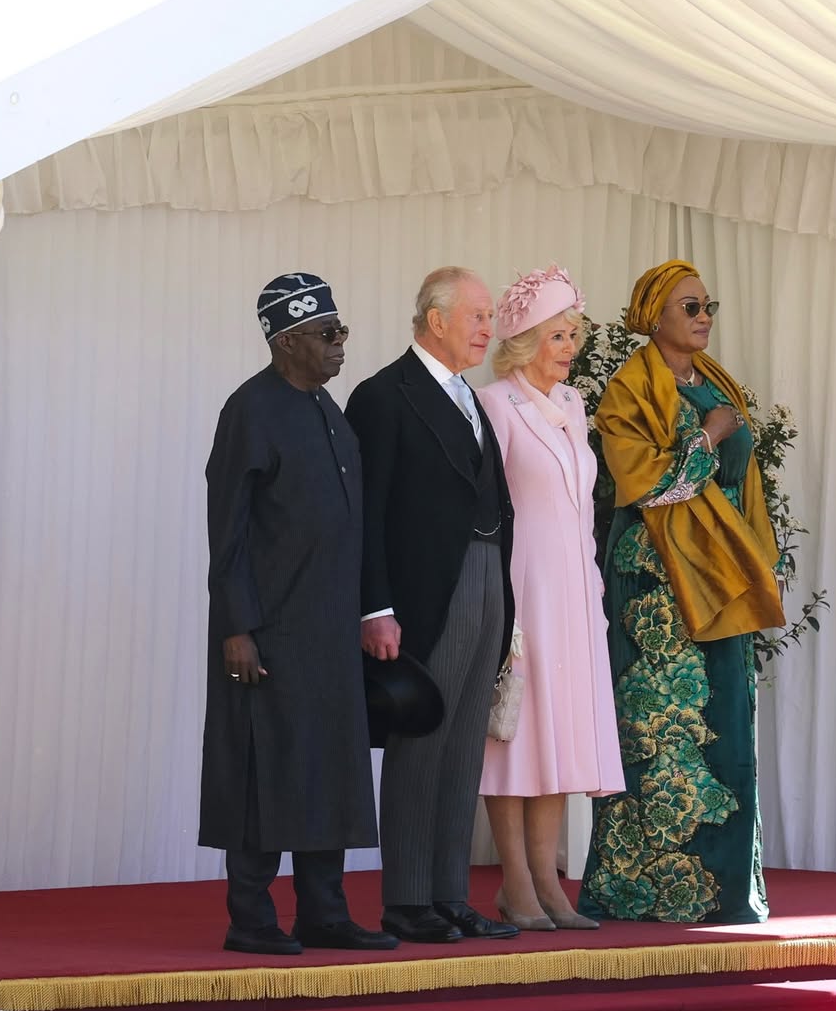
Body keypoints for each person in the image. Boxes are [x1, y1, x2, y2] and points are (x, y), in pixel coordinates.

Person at [579, 259, 786, 925]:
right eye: (691, 307)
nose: (703, 318)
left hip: (721, 573)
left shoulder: (716, 379)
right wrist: (709, 435)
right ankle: (641, 889)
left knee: (725, 721)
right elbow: (643, 485)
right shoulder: (628, 389)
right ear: (656, 316)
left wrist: (758, 555)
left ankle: (725, 890)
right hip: (657, 583)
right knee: (656, 732)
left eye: (708, 306)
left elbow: (744, 483)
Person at [199, 272, 396, 955]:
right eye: (326, 334)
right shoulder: (250, 411)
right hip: (268, 631)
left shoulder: (327, 409)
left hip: (329, 631)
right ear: (286, 342)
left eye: (341, 331)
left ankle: (324, 913)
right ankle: (250, 919)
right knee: (263, 769)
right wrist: (236, 627)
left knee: (330, 768)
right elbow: (227, 530)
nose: (340, 345)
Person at [346, 267, 520, 945]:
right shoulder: (383, 396)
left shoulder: (469, 396)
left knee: (464, 747)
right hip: (424, 589)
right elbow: (368, 514)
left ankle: (449, 894)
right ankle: (408, 899)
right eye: (477, 316)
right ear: (435, 318)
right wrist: (374, 608)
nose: (488, 328)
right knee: (422, 740)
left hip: (483, 578)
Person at [477, 266, 624, 931]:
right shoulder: (495, 404)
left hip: (573, 589)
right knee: (516, 734)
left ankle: (549, 884)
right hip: (522, 583)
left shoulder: (572, 405)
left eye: (574, 333)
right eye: (559, 334)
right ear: (527, 338)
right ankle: (517, 883)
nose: (571, 346)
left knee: (559, 734)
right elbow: (486, 508)